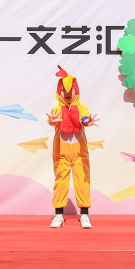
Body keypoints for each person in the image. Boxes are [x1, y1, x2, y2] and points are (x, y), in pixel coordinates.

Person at [48, 66, 99, 229]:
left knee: (82, 181)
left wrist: (86, 121)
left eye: (70, 91)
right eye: (64, 91)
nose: (67, 94)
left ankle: (84, 215)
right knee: (61, 182)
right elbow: (52, 120)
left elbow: (84, 117)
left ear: (76, 91)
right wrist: (52, 120)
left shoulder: (82, 107)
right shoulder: (57, 109)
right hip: (61, 153)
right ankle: (58, 215)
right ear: (59, 92)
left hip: (79, 154)